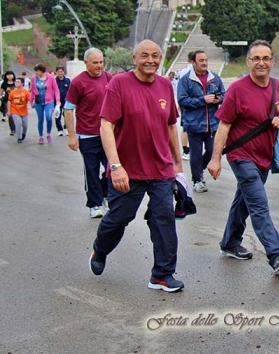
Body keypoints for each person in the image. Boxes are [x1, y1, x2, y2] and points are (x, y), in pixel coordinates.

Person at [89, 39, 185, 292]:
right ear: (134, 58)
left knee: (164, 218)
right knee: (120, 217)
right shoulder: (119, 84)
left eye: (155, 55)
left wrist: (177, 163)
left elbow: (171, 125)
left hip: (161, 169)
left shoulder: (166, 85)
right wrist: (115, 166)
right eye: (144, 56)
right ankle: (100, 249)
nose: (150, 60)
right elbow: (106, 126)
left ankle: (162, 274)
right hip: (127, 170)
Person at [207, 40, 279, 274]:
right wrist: (215, 159)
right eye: (256, 58)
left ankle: (229, 243)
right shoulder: (237, 89)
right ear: (248, 62)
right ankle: (276, 252)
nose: (261, 63)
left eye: (266, 58)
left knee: (243, 202)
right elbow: (224, 125)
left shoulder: (278, 87)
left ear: (272, 62)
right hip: (241, 156)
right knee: (258, 203)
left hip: (264, 157)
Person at [65, 48, 112, 219]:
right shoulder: (78, 83)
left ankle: (104, 194)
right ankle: (94, 204)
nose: (99, 66)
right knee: (91, 170)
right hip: (87, 135)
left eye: (101, 62)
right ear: (86, 63)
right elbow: (68, 111)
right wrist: (72, 136)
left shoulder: (108, 78)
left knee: (111, 168)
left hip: (107, 134)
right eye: (95, 63)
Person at [177, 50, 225, 193]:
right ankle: (197, 180)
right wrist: (202, 100)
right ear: (193, 62)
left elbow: (224, 95)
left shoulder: (214, 78)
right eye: (201, 60)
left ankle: (199, 170)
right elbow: (182, 100)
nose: (205, 63)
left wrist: (218, 99)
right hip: (194, 124)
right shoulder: (185, 80)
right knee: (196, 154)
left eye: (206, 60)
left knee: (213, 151)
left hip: (212, 123)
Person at [30, 63, 60, 144]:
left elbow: (56, 89)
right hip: (38, 101)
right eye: (35, 71)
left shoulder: (50, 77)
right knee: (40, 119)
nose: (36, 73)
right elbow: (32, 90)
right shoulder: (34, 78)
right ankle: (40, 136)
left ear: (41, 71)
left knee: (48, 117)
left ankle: (48, 134)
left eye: (37, 71)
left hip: (49, 101)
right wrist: (31, 101)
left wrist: (57, 101)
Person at [177, 52, 197, 161]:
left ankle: (185, 150)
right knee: (193, 127)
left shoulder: (182, 72)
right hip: (194, 102)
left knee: (184, 127)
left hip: (184, 100)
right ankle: (190, 149)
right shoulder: (196, 72)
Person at [8, 77, 30, 143]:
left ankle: (23, 134)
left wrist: (33, 103)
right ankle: (19, 137)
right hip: (15, 111)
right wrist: (9, 111)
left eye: (18, 82)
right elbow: (9, 101)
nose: (16, 83)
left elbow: (30, 100)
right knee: (18, 124)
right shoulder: (12, 92)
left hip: (24, 111)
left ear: (22, 83)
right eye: (16, 82)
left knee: (25, 126)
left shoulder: (26, 92)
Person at [54, 66, 71, 136]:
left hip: (66, 100)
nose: (60, 73)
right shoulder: (54, 81)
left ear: (63, 72)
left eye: (61, 72)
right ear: (56, 72)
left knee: (66, 115)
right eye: (58, 72)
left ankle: (66, 127)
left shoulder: (67, 81)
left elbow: (70, 90)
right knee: (58, 115)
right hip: (57, 101)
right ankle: (59, 129)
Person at [1, 70, 17, 135]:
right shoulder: (4, 84)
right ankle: (12, 129)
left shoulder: (16, 82)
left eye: (11, 74)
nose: (10, 76)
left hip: (16, 100)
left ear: (13, 75)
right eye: (8, 75)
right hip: (6, 100)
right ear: (6, 76)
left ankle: (17, 126)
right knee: (9, 114)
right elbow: (1, 92)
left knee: (16, 114)